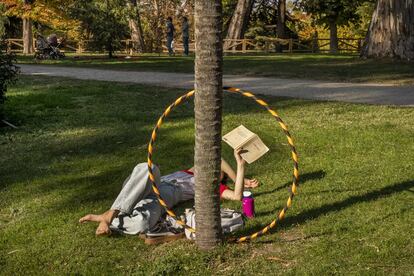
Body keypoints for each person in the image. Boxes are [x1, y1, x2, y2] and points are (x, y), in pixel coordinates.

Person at [79, 148, 259, 236]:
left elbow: (236, 196)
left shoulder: (211, 186)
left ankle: (111, 220)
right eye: (208, 167)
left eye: (215, 173)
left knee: (142, 224)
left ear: (218, 180)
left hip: (161, 199)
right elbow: (216, 158)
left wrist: (240, 168)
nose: (210, 169)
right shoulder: (192, 170)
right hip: (147, 184)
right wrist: (238, 178)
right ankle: (111, 214)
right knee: (148, 168)